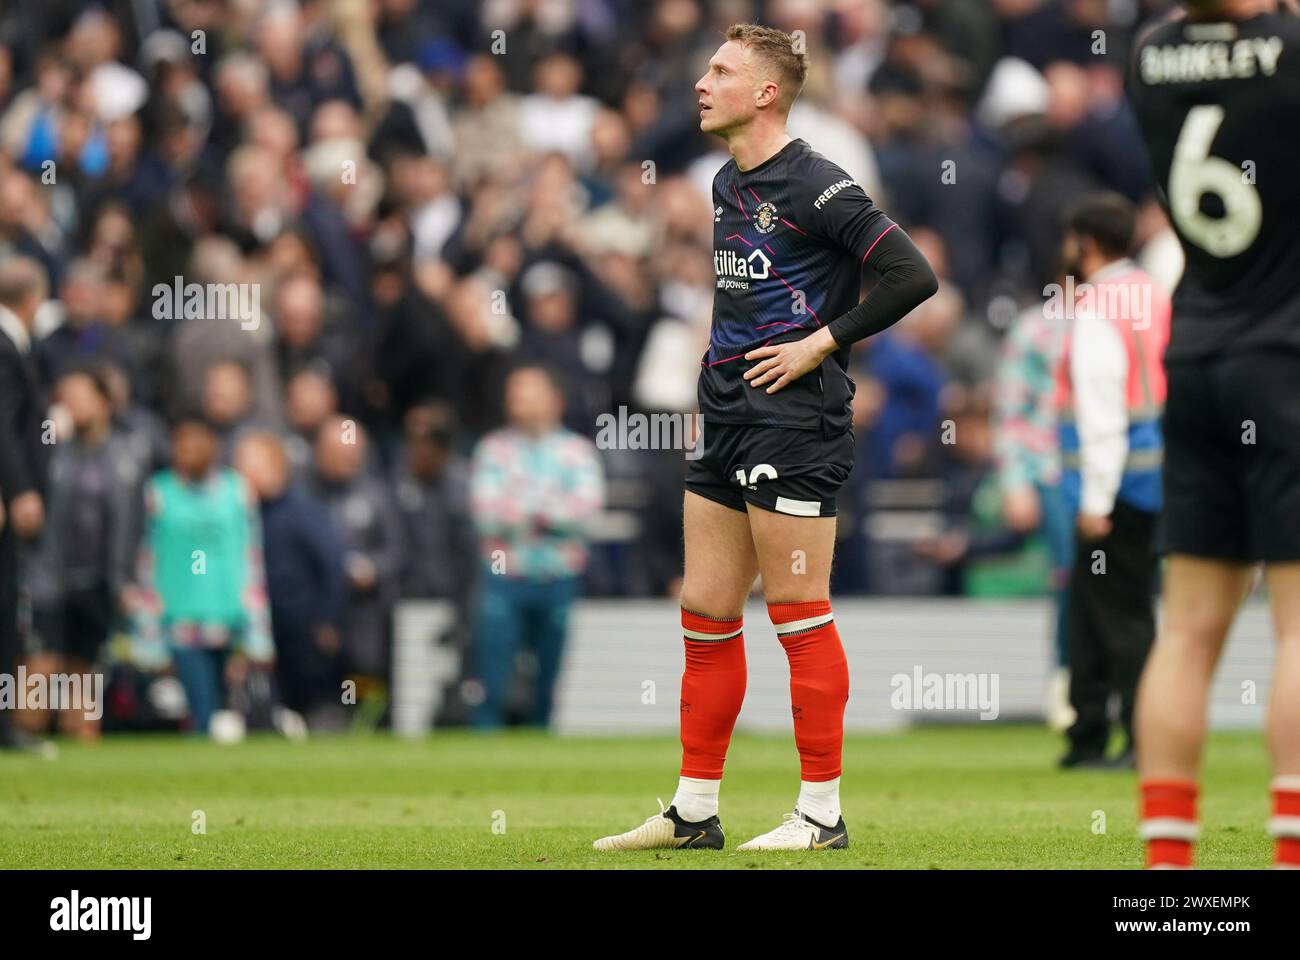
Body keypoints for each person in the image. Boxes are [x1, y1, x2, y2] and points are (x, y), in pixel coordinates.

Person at [593, 24, 936, 852]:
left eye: (721, 71)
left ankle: (821, 814)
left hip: (797, 420)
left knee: (796, 610)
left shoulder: (819, 182)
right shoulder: (723, 181)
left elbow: (911, 274)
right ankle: (694, 811)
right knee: (706, 608)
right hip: (726, 415)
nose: (702, 84)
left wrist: (823, 342)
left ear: (767, 92)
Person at [1128, 0, 1300, 868]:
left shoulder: (1148, 53)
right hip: (1287, 361)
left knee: (1188, 632)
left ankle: (1170, 872)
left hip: (1193, 355)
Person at [1053, 193, 1170, 770]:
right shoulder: (1151, 293)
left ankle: (1142, 741)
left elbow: (1102, 412)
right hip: (1151, 481)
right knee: (1098, 612)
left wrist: (1096, 499)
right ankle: (1089, 734)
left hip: (1114, 486)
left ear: (1087, 243)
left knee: (1120, 619)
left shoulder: (1100, 305)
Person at [468, 364, 604, 728]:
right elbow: (486, 516)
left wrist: (523, 512)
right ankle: (484, 744)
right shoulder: (491, 450)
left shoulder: (577, 453)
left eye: (529, 392)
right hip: (504, 577)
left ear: (555, 400)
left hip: (559, 577)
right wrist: (549, 515)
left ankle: (540, 743)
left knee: (548, 680)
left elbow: (585, 513)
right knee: (492, 674)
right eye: (514, 393)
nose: (519, 401)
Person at [129, 418, 274, 734]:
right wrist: (147, 624)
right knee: (201, 705)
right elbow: (148, 559)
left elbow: (251, 557)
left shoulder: (237, 491)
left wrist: (258, 628)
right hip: (182, 616)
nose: (188, 452)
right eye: (181, 445)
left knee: (228, 704)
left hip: (228, 614)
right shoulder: (160, 492)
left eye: (197, 444)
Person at [27, 365, 142, 738]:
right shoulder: (51, 450)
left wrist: (126, 580)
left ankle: (78, 757)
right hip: (49, 578)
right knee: (39, 671)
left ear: (104, 402)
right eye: (66, 397)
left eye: (80, 396)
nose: (72, 404)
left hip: (100, 581)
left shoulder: (127, 456)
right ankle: (23, 742)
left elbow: (133, 525)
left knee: (84, 673)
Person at [234, 431, 347, 730]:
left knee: (316, 704)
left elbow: (332, 566)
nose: (243, 472)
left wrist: (329, 620)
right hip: (261, 630)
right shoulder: (240, 515)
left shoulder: (301, 511)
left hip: (303, 628)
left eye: (252, 465)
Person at [0, 255, 53, 754]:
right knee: (4, 609)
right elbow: (4, 427)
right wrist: (17, 491)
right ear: (34, 299)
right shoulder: (4, 347)